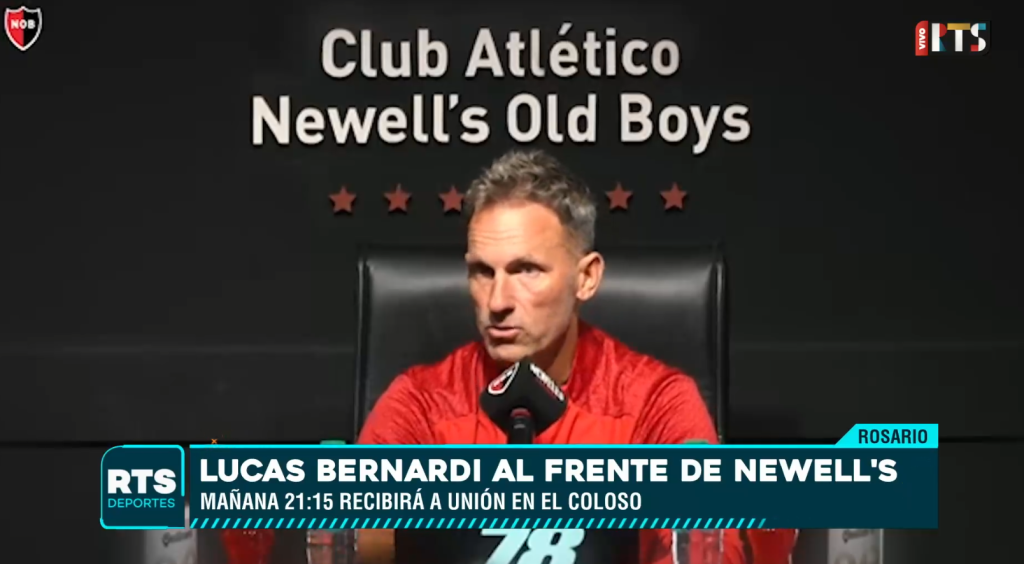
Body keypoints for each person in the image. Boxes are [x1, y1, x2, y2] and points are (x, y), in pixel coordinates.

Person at [355, 149, 747, 564]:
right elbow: (352, 542)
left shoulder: (656, 403)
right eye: (483, 272)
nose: (497, 301)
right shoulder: (420, 403)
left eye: (527, 270)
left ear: (586, 277)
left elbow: (714, 552)